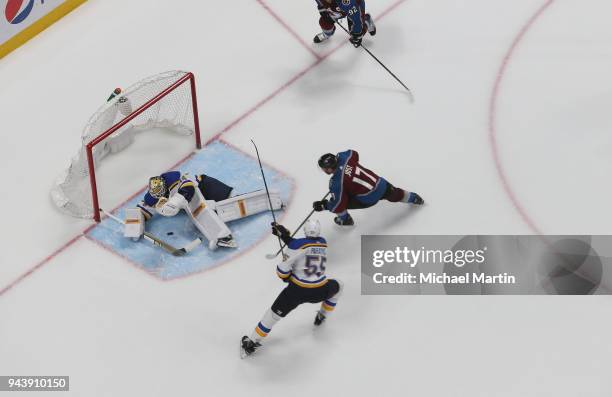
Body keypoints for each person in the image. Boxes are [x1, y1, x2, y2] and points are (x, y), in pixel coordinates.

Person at [240, 220, 343, 357]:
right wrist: (285, 237)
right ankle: (322, 315)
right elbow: (302, 246)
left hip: (297, 291)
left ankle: (251, 343)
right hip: (320, 290)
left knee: (272, 316)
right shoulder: (323, 242)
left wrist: (287, 276)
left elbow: (282, 271)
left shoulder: (296, 245)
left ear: (305, 231)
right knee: (339, 285)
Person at [127, 171, 283, 250]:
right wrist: (134, 227)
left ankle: (223, 237)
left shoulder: (173, 178)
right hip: (184, 202)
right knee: (206, 210)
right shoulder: (152, 196)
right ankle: (223, 236)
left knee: (209, 208)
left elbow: (188, 188)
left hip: (201, 187)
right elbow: (140, 210)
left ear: (165, 186)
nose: (159, 197)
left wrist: (175, 202)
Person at [313, 150, 424, 226]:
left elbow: (338, 205)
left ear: (328, 169)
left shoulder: (336, 183)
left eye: (323, 168)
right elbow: (354, 153)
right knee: (395, 194)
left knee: (338, 200)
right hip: (380, 184)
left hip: (368, 199)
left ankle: (345, 220)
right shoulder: (344, 156)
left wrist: (325, 205)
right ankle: (414, 198)